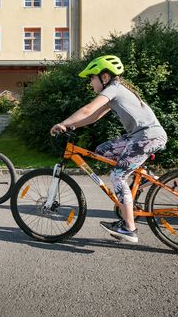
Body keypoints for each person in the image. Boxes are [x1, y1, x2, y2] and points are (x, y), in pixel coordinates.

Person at [50, 55, 167, 243]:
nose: (90, 83)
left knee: (118, 176)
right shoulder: (115, 92)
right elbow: (93, 116)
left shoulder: (113, 89)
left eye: (91, 78)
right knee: (102, 150)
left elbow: (88, 109)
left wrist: (62, 123)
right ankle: (145, 177)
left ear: (104, 77)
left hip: (147, 137)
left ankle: (129, 228)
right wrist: (72, 126)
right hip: (137, 137)